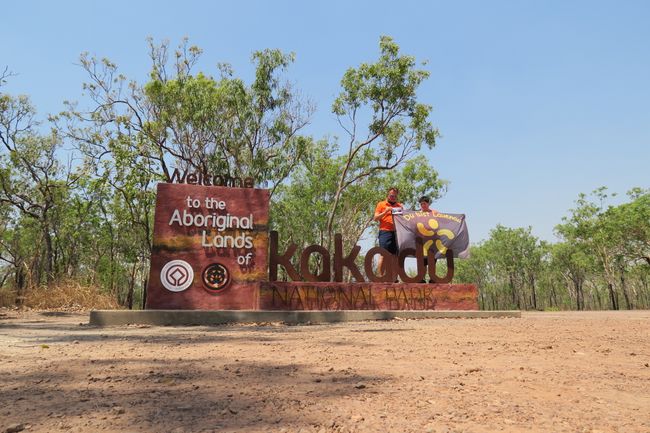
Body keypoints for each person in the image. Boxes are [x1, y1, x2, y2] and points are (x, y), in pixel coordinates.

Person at [373, 187, 403, 277]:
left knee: (395, 256)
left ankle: (394, 278)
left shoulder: (399, 206)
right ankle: (380, 277)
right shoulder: (381, 204)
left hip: (397, 233)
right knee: (383, 255)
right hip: (385, 232)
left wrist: (403, 210)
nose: (392, 197)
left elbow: (404, 219)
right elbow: (375, 218)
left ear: (396, 196)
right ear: (388, 195)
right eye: (391, 195)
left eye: (394, 196)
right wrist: (385, 212)